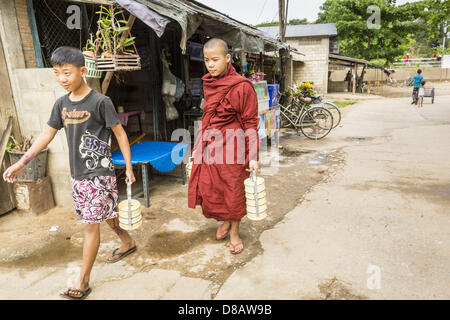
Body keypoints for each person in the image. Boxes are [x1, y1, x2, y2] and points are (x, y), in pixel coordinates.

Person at [2, 47, 137, 300]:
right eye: (57, 73)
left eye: (67, 72)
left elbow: (120, 133)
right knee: (103, 215)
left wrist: (128, 167)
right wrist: (23, 161)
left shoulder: (100, 102)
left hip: (99, 174)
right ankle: (127, 241)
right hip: (78, 175)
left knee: (90, 226)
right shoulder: (61, 104)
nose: (62, 78)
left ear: (83, 72)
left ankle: (83, 282)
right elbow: (46, 134)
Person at [188, 38, 260, 255]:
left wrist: (253, 155)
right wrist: (197, 146)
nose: (210, 65)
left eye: (215, 60)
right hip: (212, 145)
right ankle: (226, 221)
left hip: (234, 147)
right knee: (213, 188)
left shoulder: (242, 86)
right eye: (207, 60)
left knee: (233, 190)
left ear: (228, 59)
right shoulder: (209, 82)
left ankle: (235, 232)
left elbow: (250, 122)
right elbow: (207, 115)